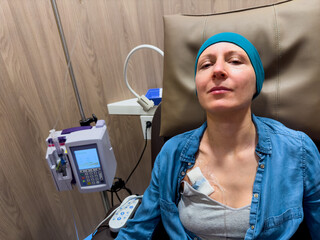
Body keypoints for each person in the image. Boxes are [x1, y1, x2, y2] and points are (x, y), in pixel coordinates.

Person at [115, 32, 320, 239]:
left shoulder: (299, 151)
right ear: (197, 86)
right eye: (206, 65)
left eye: (234, 61)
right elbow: (137, 231)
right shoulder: (172, 154)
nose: (218, 70)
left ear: (256, 79)